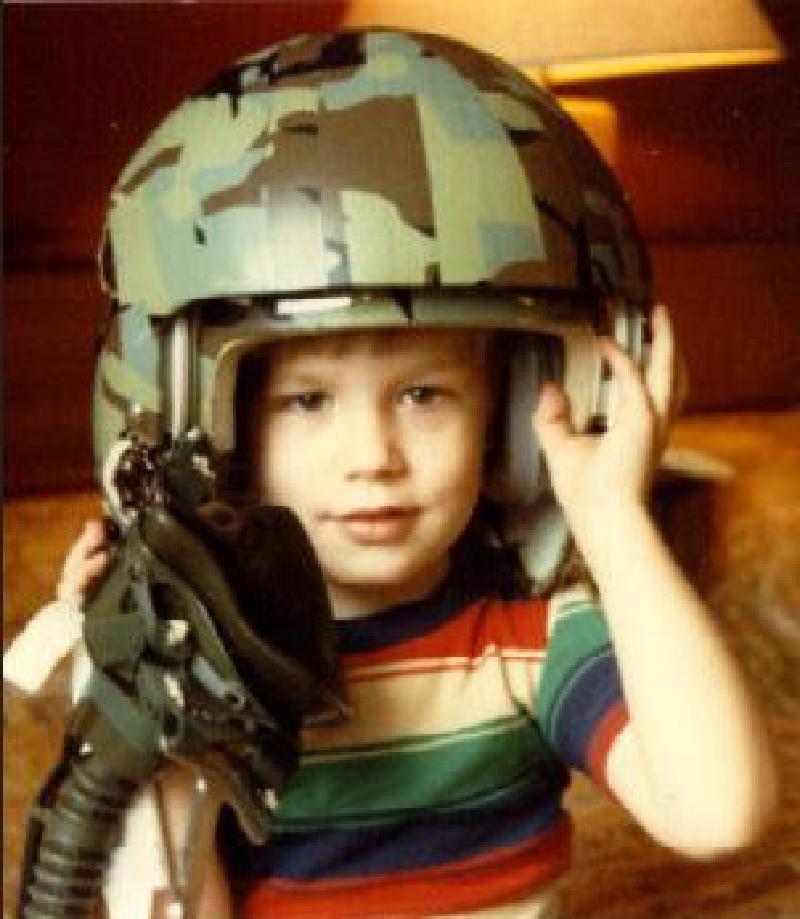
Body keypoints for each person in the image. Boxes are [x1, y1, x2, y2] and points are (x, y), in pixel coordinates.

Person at [14, 29, 777, 919]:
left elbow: (721, 812)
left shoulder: (528, 644)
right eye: (307, 401)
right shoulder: (218, 668)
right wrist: (135, 671)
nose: (373, 455)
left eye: (423, 394)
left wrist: (612, 516)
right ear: (214, 433)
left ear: (513, 417)